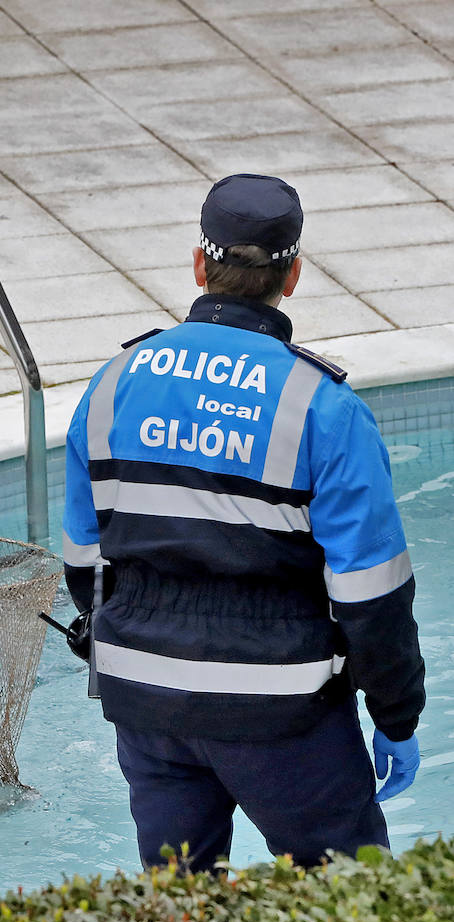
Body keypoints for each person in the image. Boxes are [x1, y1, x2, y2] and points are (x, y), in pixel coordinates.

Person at [60, 173, 425, 873]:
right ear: (293, 276)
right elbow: (372, 594)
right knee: (351, 902)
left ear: (199, 265)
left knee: (179, 914)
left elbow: (84, 563)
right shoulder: (322, 406)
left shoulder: (114, 383)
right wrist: (397, 715)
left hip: (147, 700)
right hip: (283, 710)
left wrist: (140, 636)